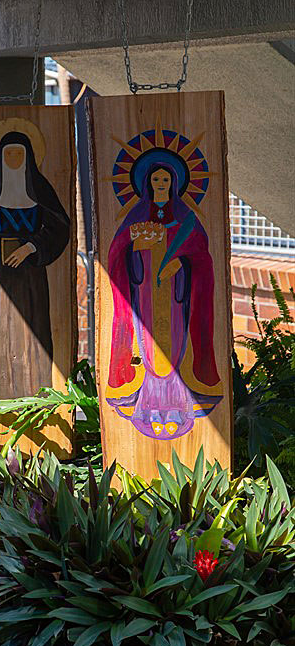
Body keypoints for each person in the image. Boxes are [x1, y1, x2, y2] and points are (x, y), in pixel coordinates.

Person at [106, 162, 222, 440]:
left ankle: (178, 395)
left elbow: (202, 255)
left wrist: (181, 263)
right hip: (144, 289)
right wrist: (135, 247)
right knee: (148, 338)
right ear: (148, 183)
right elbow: (116, 251)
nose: (160, 183)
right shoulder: (136, 215)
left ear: (174, 183)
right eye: (156, 178)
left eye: (165, 178)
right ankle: (148, 399)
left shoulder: (185, 217)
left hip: (175, 293)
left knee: (174, 336)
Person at [0, 130, 70, 402]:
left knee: (32, 327)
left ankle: (33, 392)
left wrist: (30, 247)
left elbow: (59, 228)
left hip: (30, 271)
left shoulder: (40, 189)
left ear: (28, 157)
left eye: (18, 153)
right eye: (7, 153)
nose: (12, 158)